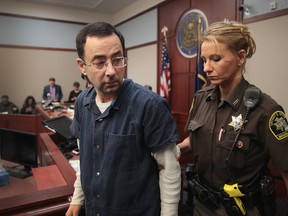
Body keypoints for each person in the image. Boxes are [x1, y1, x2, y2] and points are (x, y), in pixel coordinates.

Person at [65, 22, 181, 216]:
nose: (111, 71)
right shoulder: (81, 104)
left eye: (117, 59)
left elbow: (169, 169)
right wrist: (77, 199)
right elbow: (85, 158)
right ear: (82, 66)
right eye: (100, 62)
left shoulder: (149, 105)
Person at [177, 20, 288, 216]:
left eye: (216, 59)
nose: (207, 68)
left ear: (240, 57)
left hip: (243, 209)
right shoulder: (201, 98)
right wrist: (175, 149)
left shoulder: (265, 111)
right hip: (202, 207)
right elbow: (195, 140)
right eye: (204, 60)